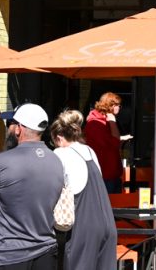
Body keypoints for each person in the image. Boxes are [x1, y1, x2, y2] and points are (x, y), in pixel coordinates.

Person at [0, 103, 65, 269]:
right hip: (46, 252)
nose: (8, 128)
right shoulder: (57, 161)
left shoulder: (1, 161)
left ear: (19, 129)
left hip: (8, 254)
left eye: (10, 123)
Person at [50, 109, 117, 270]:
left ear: (58, 138)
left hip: (84, 227)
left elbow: (51, 189)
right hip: (108, 225)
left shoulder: (61, 153)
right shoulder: (90, 151)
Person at [84, 92, 126, 193]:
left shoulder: (104, 121)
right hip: (104, 175)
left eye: (119, 105)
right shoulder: (96, 123)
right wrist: (112, 121)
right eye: (116, 105)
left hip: (111, 174)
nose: (118, 107)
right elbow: (114, 143)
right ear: (108, 105)